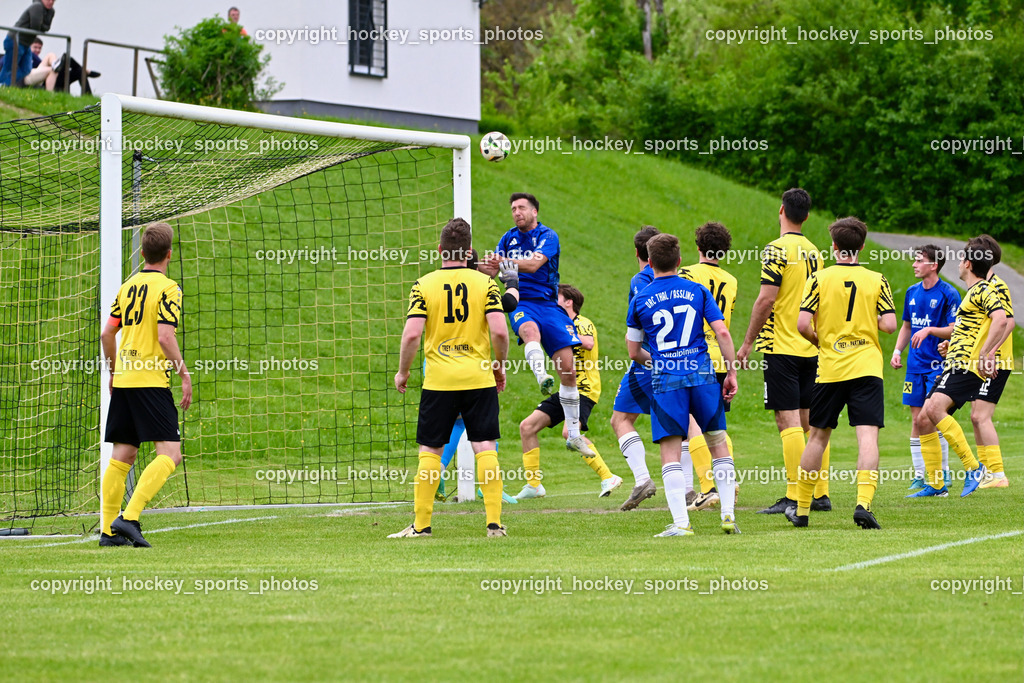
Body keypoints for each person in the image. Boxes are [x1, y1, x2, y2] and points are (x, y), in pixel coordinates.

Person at [390, 218, 509, 538]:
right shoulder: (486, 285)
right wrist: (499, 366)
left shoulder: (423, 284)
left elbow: (412, 335)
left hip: (439, 381)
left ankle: (422, 526)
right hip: (479, 377)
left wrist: (403, 371)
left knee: (430, 450)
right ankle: (494, 524)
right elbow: (499, 330)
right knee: (485, 446)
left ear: (440, 250)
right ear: (469, 251)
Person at [479, 192, 594, 502]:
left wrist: (502, 260)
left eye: (521, 208)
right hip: (523, 303)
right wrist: (479, 266)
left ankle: (574, 433)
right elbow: (496, 271)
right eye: (513, 208)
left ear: (534, 211)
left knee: (568, 370)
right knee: (529, 332)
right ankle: (541, 376)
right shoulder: (507, 238)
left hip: (549, 304)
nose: (516, 213)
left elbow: (532, 264)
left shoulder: (547, 235)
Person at [783, 217, 896, 529]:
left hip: (831, 366)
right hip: (867, 367)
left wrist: (826, 341)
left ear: (834, 246)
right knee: (867, 436)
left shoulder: (818, 279)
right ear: (861, 247)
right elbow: (888, 325)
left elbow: (803, 324)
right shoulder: (877, 280)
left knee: (817, 437)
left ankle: (803, 509)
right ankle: (863, 504)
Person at [626, 233, 740, 537]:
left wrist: (661, 360)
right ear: (679, 261)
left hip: (667, 380)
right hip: (703, 374)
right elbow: (723, 334)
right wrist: (731, 373)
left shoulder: (639, 299)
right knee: (717, 442)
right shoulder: (698, 290)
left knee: (671, 452)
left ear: (649, 263)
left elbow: (633, 351)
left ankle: (681, 524)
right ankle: (728, 516)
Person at [736, 188, 832, 515]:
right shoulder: (815, 252)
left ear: (781, 211)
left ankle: (794, 495)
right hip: (810, 345)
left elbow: (766, 299)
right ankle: (819, 492)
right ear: (805, 216)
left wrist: (747, 343)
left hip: (782, 345)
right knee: (810, 423)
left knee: (786, 420)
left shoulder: (776, 250)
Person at [99, 223, 193, 547]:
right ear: (169, 254)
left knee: (122, 455)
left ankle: (108, 532)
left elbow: (107, 333)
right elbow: (165, 336)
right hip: (150, 380)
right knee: (171, 454)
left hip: (125, 377)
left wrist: (113, 371)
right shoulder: (169, 289)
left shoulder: (127, 287)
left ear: (142, 253)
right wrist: (183, 373)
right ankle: (129, 517)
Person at [907, 237, 1010, 498]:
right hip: (955, 362)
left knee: (934, 409)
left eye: (961, 259)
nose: (958, 264)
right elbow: (972, 330)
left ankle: (975, 468)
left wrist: (987, 353)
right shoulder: (973, 292)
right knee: (923, 418)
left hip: (966, 367)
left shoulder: (984, 289)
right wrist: (950, 346)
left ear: (968, 263)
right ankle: (936, 483)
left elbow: (1001, 320)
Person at [516, 284, 623, 499]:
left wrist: (563, 334)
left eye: (557, 297)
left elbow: (589, 343)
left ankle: (608, 477)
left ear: (568, 302)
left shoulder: (581, 323)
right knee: (527, 427)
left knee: (569, 432)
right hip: (567, 390)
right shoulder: (555, 322)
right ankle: (534, 485)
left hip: (584, 389)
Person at [679, 221, 738, 512]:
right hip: (720, 355)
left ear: (698, 246)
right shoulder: (731, 279)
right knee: (716, 424)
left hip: (695, 354)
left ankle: (708, 487)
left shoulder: (687, 273)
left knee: (692, 423)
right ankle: (729, 479)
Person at [890, 245, 960, 491]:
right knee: (916, 420)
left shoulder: (948, 294)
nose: (914, 264)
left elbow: (954, 328)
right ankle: (920, 474)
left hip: (938, 366)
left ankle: (944, 473)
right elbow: (907, 326)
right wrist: (898, 351)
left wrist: (930, 330)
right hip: (914, 366)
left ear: (934, 265)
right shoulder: (911, 292)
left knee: (936, 417)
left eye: (919, 261)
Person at [612, 226, 661, 511]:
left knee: (620, 420)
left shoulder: (640, 280)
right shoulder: (680, 280)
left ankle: (643, 478)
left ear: (637, 252)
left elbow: (641, 320)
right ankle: (698, 487)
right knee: (687, 423)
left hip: (648, 360)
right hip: (685, 359)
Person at [969, 235, 1015, 489]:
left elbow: (1008, 322)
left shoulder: (997, 285)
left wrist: (991, 354)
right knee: (976, 416)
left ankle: (997, 474)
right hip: (982, 361)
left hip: (995, 362)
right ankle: (987, 471)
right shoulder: (980, 287)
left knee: (981, 416)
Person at [1, 0, 55, 88]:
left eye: (53, 0)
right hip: (14, 40)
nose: (51, 2)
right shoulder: (37, 6)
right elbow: (35, 26)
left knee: (26, 70)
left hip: (26, 44)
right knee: (9, 68)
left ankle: (6, 85)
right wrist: (42, 26)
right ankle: (3, 86)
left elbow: (47, 28)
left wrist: (42, 25)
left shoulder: (51, 11)